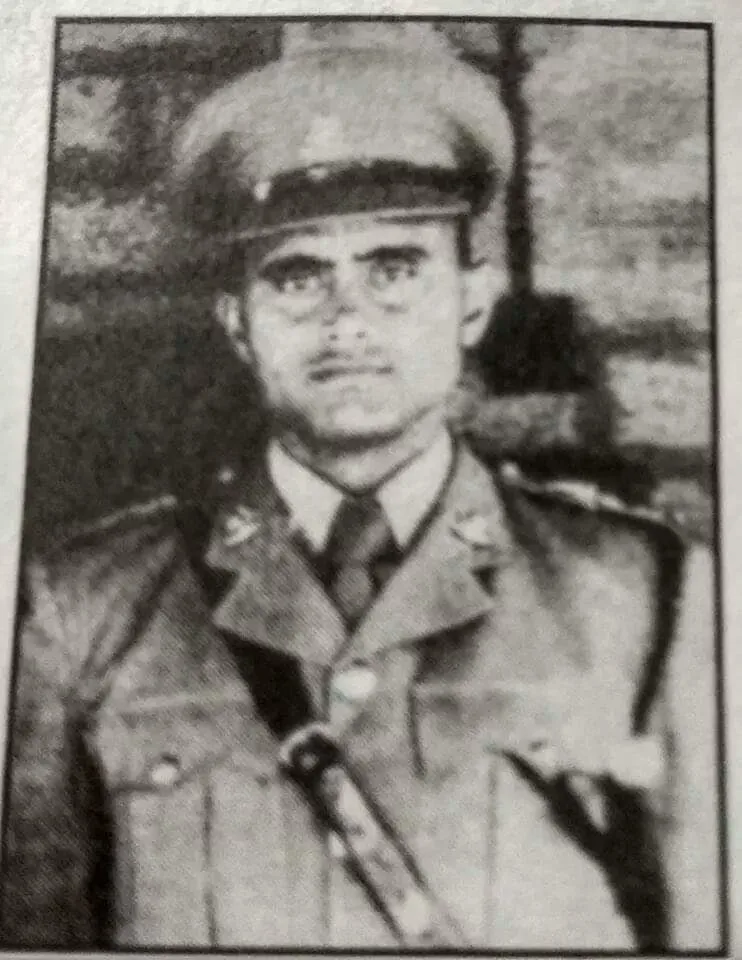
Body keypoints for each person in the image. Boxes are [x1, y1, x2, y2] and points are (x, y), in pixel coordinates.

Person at [0, 38, 721, 951]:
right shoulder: (83, 611)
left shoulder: (646, 594)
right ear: (238, 321)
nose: (347, 320)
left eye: (394, 268)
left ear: (471, 302)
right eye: (298, 276)